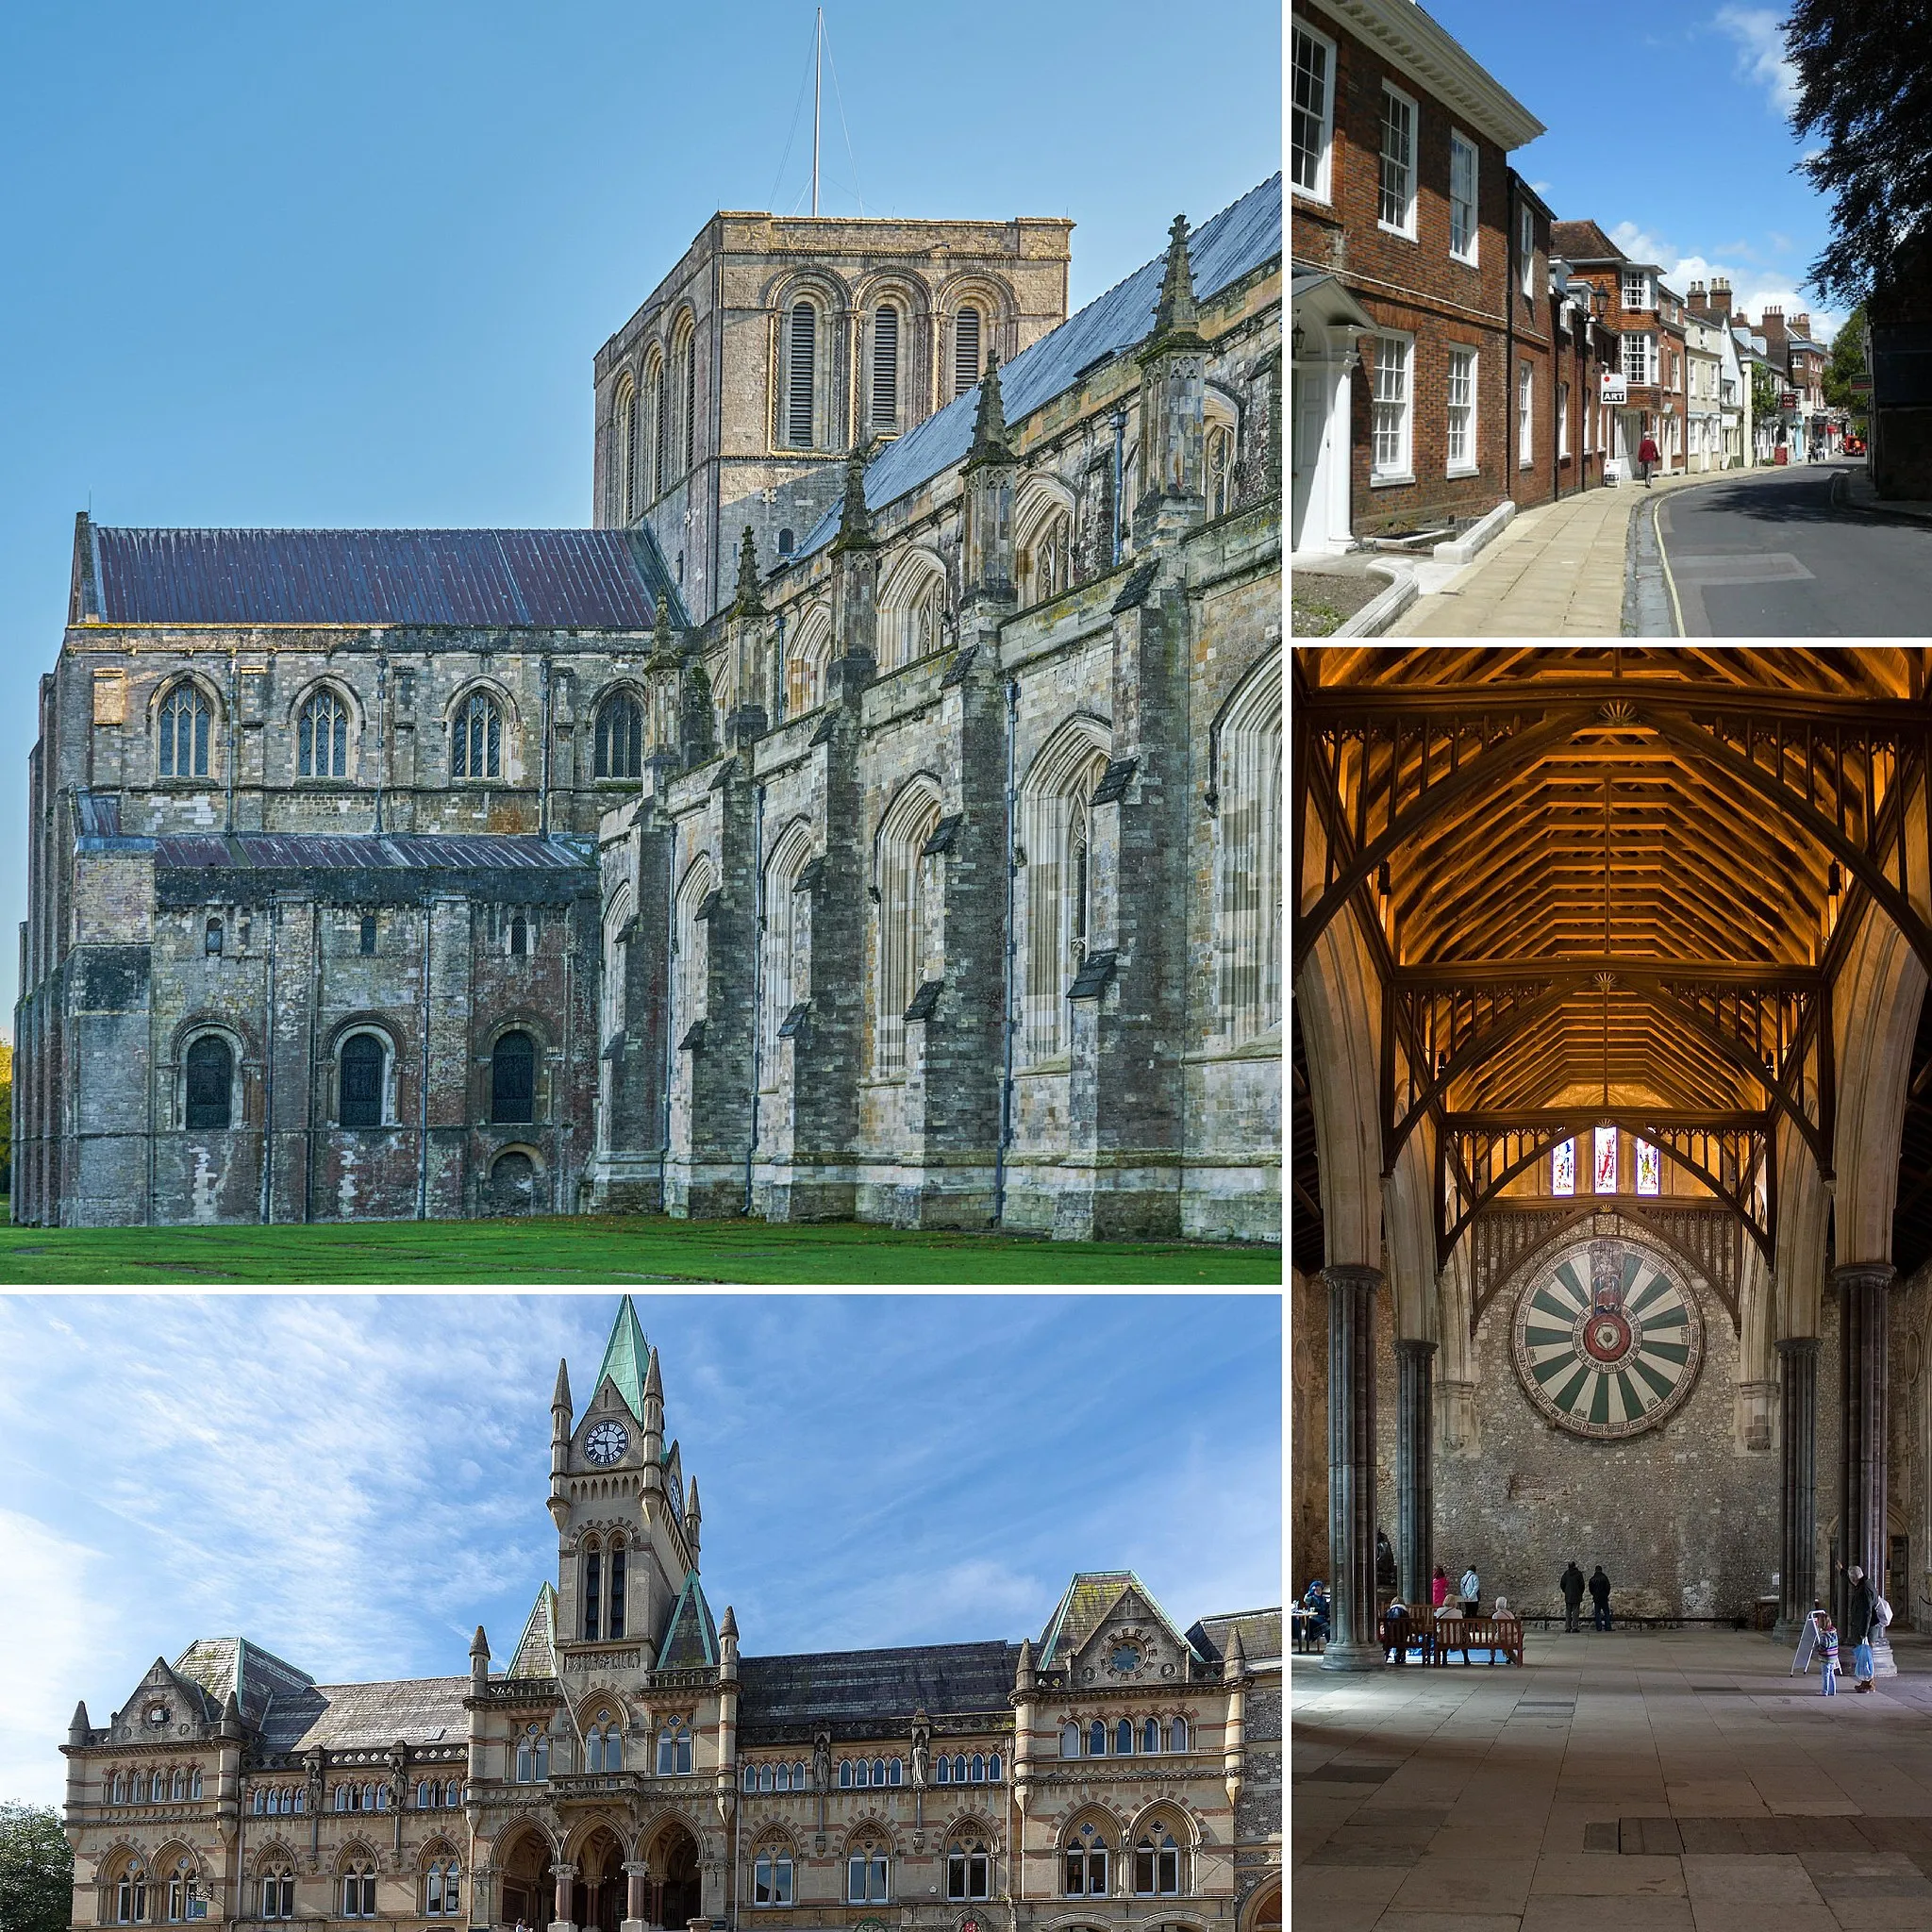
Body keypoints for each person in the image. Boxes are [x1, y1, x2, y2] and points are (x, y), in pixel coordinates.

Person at [1845, 1563, 1878, 1690]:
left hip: (1867, 1630)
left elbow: (1867, 1613)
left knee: (1865, 1657)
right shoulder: (1865, 1583)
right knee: (1866, 1656)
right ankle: (1867, 1682)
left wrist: (1863, 1633)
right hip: (1868, 1629)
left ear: (1854, 1579)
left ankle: (1868, 1684)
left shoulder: (1863, 1590)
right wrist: (1843, 1571)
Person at [1560, 1560, 1586, 1634]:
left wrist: (1566, 1591)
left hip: (1568, 1595)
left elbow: (1562, 1584)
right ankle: (1575, 1627)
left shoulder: (1566, 1574)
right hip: (1576, 1595)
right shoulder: (1578, 1574)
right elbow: (1582, 1585)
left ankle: (1568, 1627)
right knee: (1575, 1612)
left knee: (1568, 1612)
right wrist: (1580, 1592)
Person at [1818, 1613, 1840, 1696]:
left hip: (1826, 1658)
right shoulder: (1833, 1633)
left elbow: (1824, 1646)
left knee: (1825, 1675)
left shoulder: (1824, 1635)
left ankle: (1825, 1691)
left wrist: (1818, 1648)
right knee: (1831, 1674)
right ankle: (1832, 1690)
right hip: (1833, 1657)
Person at [1590, 1565, 1613, 1631]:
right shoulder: (1604, 1578)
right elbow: (1608, 1587)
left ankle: (1598, 1627)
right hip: (1604, 1597)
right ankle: (1607, 1626)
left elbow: (1591, 1589)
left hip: (1596, 1598)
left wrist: (1594, 1594)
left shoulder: (1592, 1579)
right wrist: (1606, 1594)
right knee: (1606, 1612)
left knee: (1597, 1612)